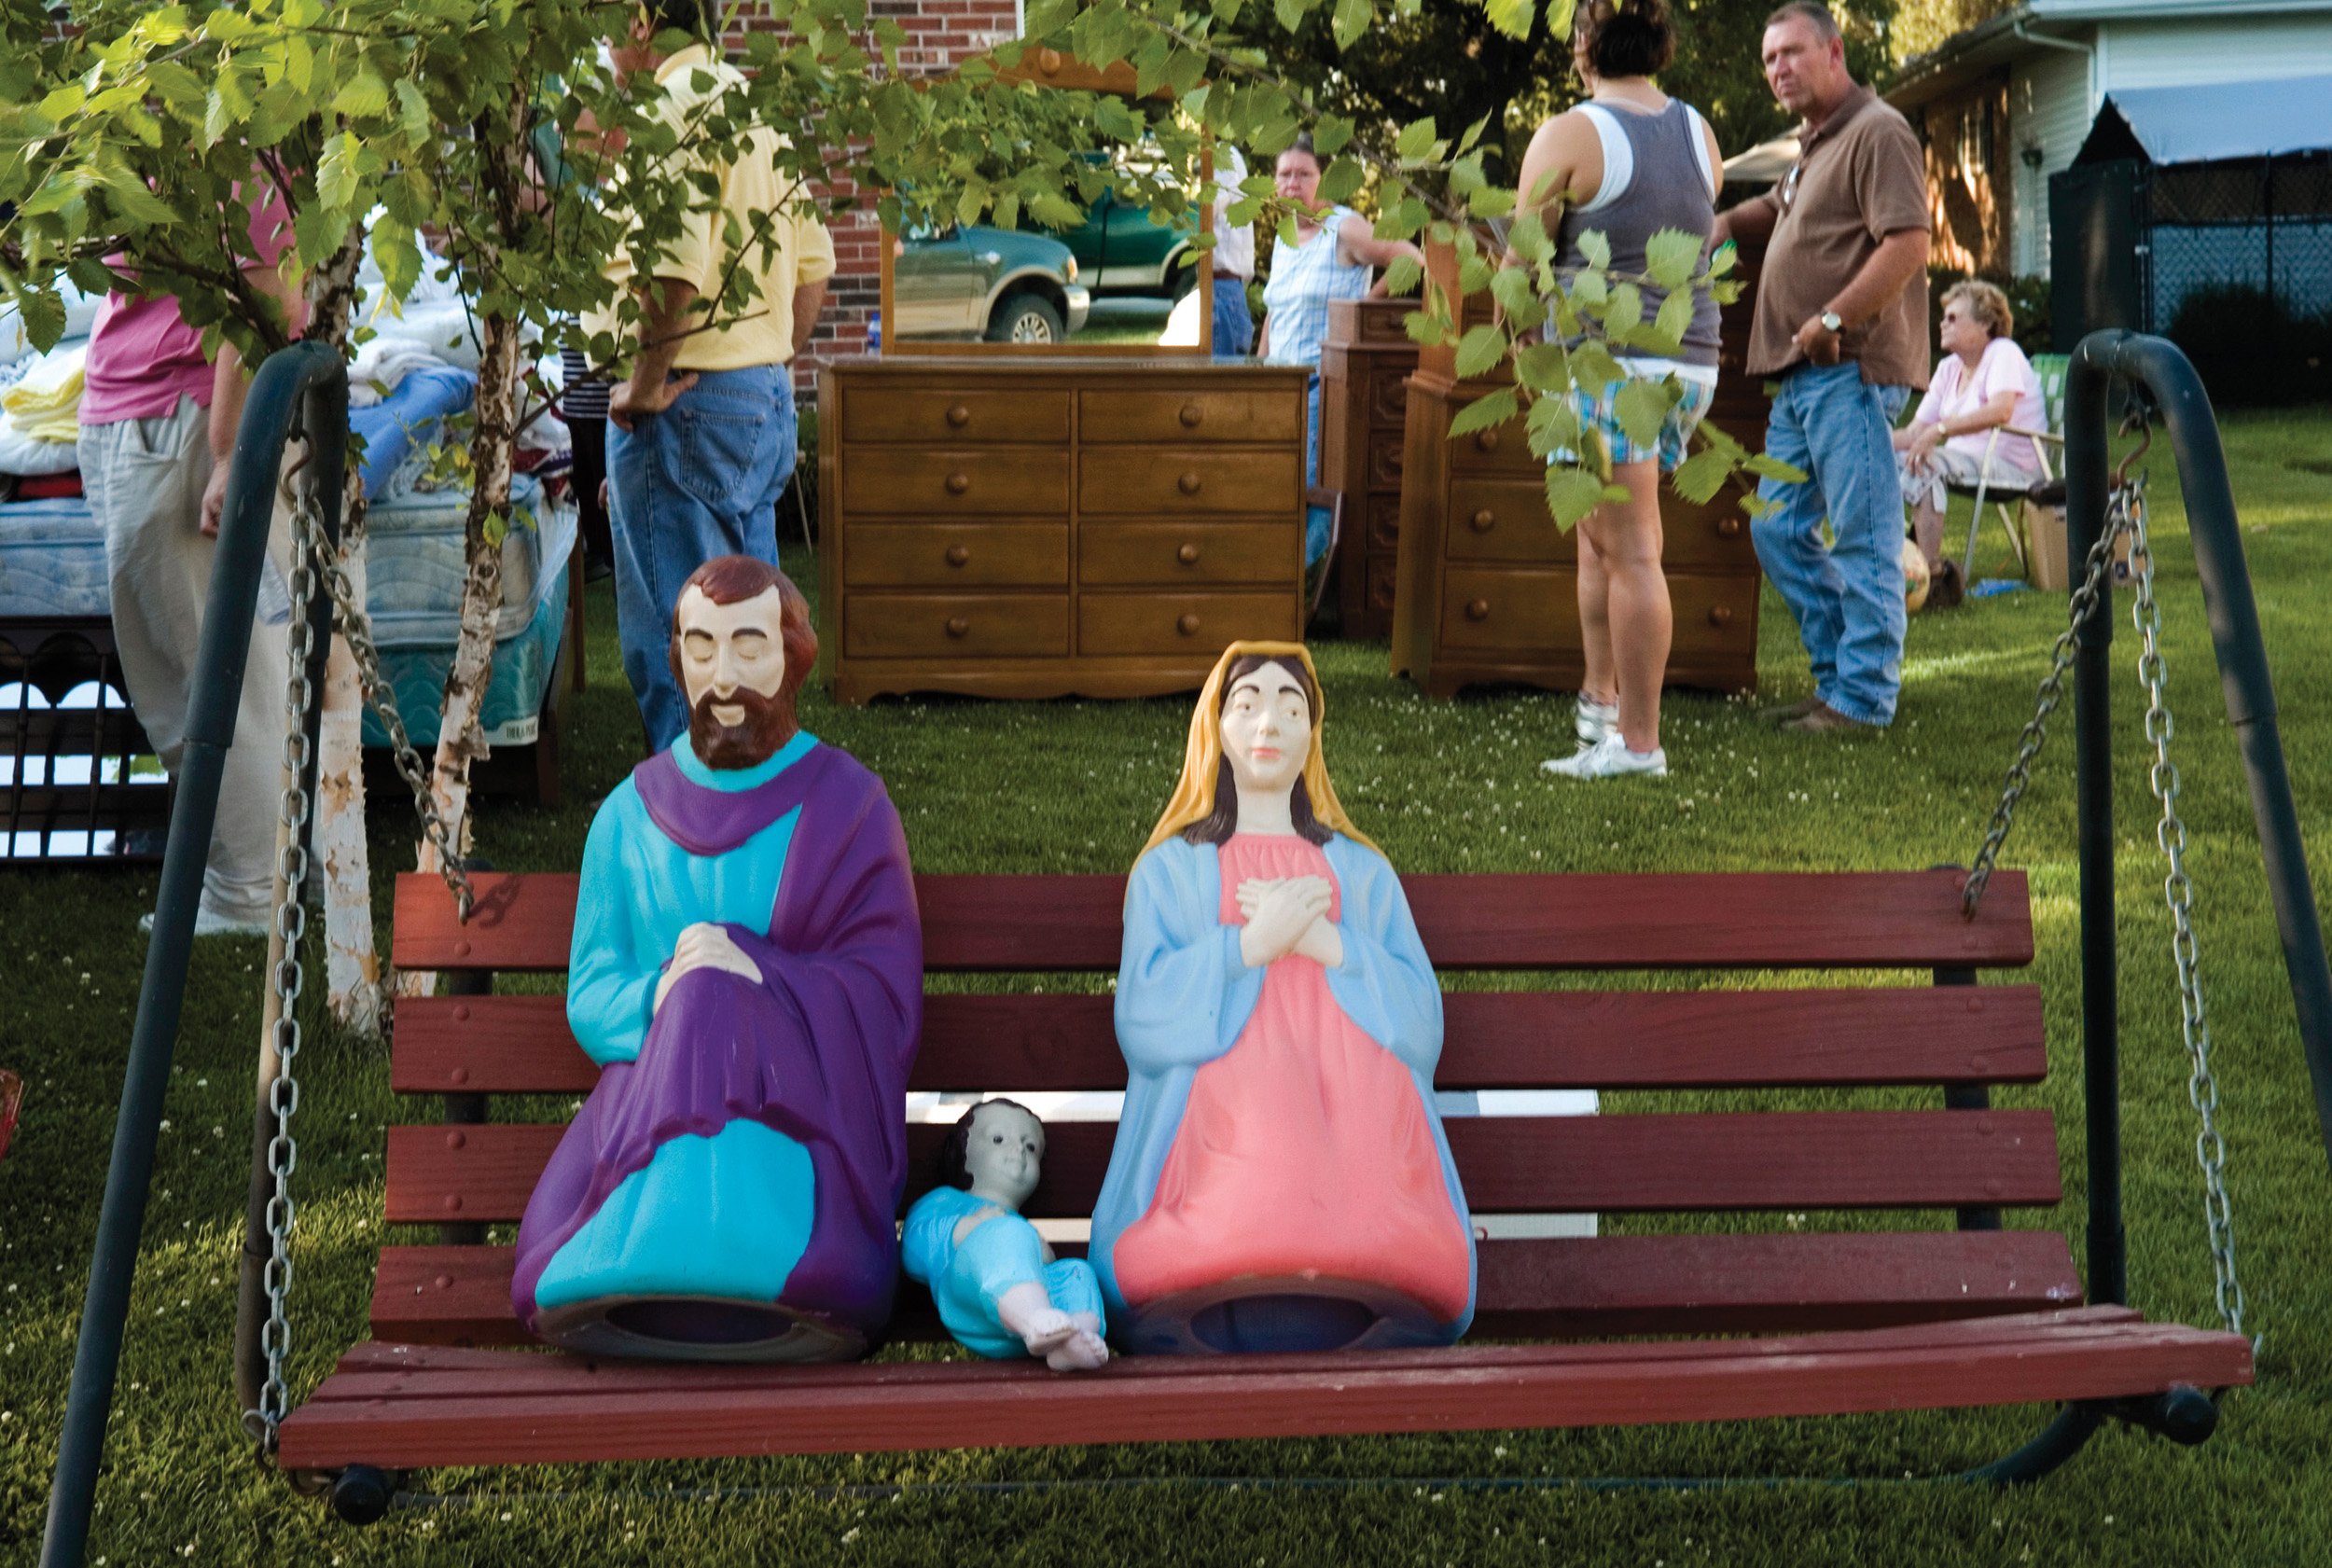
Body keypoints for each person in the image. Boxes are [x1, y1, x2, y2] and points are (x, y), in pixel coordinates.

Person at [512, 556, 923, 1361]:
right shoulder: (628, 816)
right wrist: (670, 992)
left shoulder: (850, 807)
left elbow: (887, 997)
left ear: (793, 657)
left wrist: (756, 980)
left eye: (747, 646)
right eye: (701, 648)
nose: (724, 676)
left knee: (712, 987)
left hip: (800, 1114)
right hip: (643, 1105)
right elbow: (593, 990)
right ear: (677, 659)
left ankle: (729, 1263)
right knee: (695, 989)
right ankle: (642, 1265)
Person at [1091, 643, 1475, 1355]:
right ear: (1216, 729)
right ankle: (1220, 1237)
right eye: (1247, 705)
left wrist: (1328, 944)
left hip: (1359, 1127)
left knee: (1371, 1169)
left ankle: (1377, 1245)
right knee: (1252, 1119)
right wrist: (1249, 944)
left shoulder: (1361, 872)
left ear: (1312, 736)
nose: (1268, 723)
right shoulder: (1170, 872)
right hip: (1222, 1125)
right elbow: (1144, 1016)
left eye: (1291, 708)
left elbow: (1419, 1025)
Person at [590, 0, 836, 750]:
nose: (603, 47)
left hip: (683, 401)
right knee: (754, 641)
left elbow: (674, 274)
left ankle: (699, 848)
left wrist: (640, 386)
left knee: (688, 656)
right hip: (754, 399)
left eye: (604, 27)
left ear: (640, 19)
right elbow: (814, 269)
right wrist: (765, 356)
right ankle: (755, 832)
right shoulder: (749, 107)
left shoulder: (672, 110)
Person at [78, 186, 299, 937]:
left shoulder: (240, 101)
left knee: (218, 675)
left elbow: (270, 281)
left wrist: (231, 447)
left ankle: (250, 898)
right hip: (139, 409)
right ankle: (241, 882)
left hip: (185, 413)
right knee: (178, 677)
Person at [1515, 0, 1724, 781]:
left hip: (1612, 369)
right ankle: (1600, 715)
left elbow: (1524, 262)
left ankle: (1640, 745)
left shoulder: (1571, 132)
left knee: (1632, 548)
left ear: (1583, 45)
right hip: (1689, 362)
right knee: (1598, 540)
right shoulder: (1698, 131)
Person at [1714, 2, 1931, 733]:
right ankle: (1839, 681)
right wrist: (1718, 223)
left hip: (1851, 367)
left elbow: (1906, 244)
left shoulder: (1879, 132)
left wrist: (1834, 318)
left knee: (1865, 537)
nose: (1778, 69)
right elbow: (1777, 210)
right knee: (1774, 530)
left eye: (1792, 53)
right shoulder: (1816, 144)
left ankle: (1865, 698)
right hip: (1800, 374)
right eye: (1769, 59)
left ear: (1835, 53)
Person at [1257, 135, 1426, 573]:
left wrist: (1363, 311)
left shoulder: (1345, 228)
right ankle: (1274, 579)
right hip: (1280, 386)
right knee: (1276, 486)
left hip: (1321, 386)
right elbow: (1277, 313)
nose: (1292, 184)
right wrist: (1258, 372)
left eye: (1303, 174)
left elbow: (1412, 259)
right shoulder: (1284, 235)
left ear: (1325, 180)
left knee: (1315, 489)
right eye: (1284, 174)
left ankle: (1305, 590)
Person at [901, 1099, 1109, 1371]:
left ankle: (1075, 1339)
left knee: (1076, 1270)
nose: (1019, 1150)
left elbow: (1037, 1266)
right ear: (963, 1152)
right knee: (1006, 1234)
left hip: (1027, 1324)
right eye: (999, 1138)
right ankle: (1033, 1318)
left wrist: (1043, 1253)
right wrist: (965, 1227)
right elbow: (914, 1247)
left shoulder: (1018, 1226)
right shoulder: (948, 1200)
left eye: (1030, 1146)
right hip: (968, 1300)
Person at [1895, 279, 2044, 599]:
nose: (1942, 323)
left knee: (1926, 461)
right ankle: (1890, 564)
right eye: (1943, 317)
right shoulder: (1949, 368)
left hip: (2011, 467)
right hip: (1963, 461)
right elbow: (1912, 433)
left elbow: (2001, 410)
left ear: (1986, 324)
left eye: (1953, 318)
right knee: (1883, 459)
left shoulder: (2003, 353)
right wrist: (1862, 444)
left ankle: (1934, 580)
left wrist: (1941, 430)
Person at [1210, 146, 1256, 358]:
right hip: (1225, 291)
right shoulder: (1223, 154)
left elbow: (1206, 211)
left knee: (1218, 386)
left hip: (1222, 292)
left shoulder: (1221, 153)